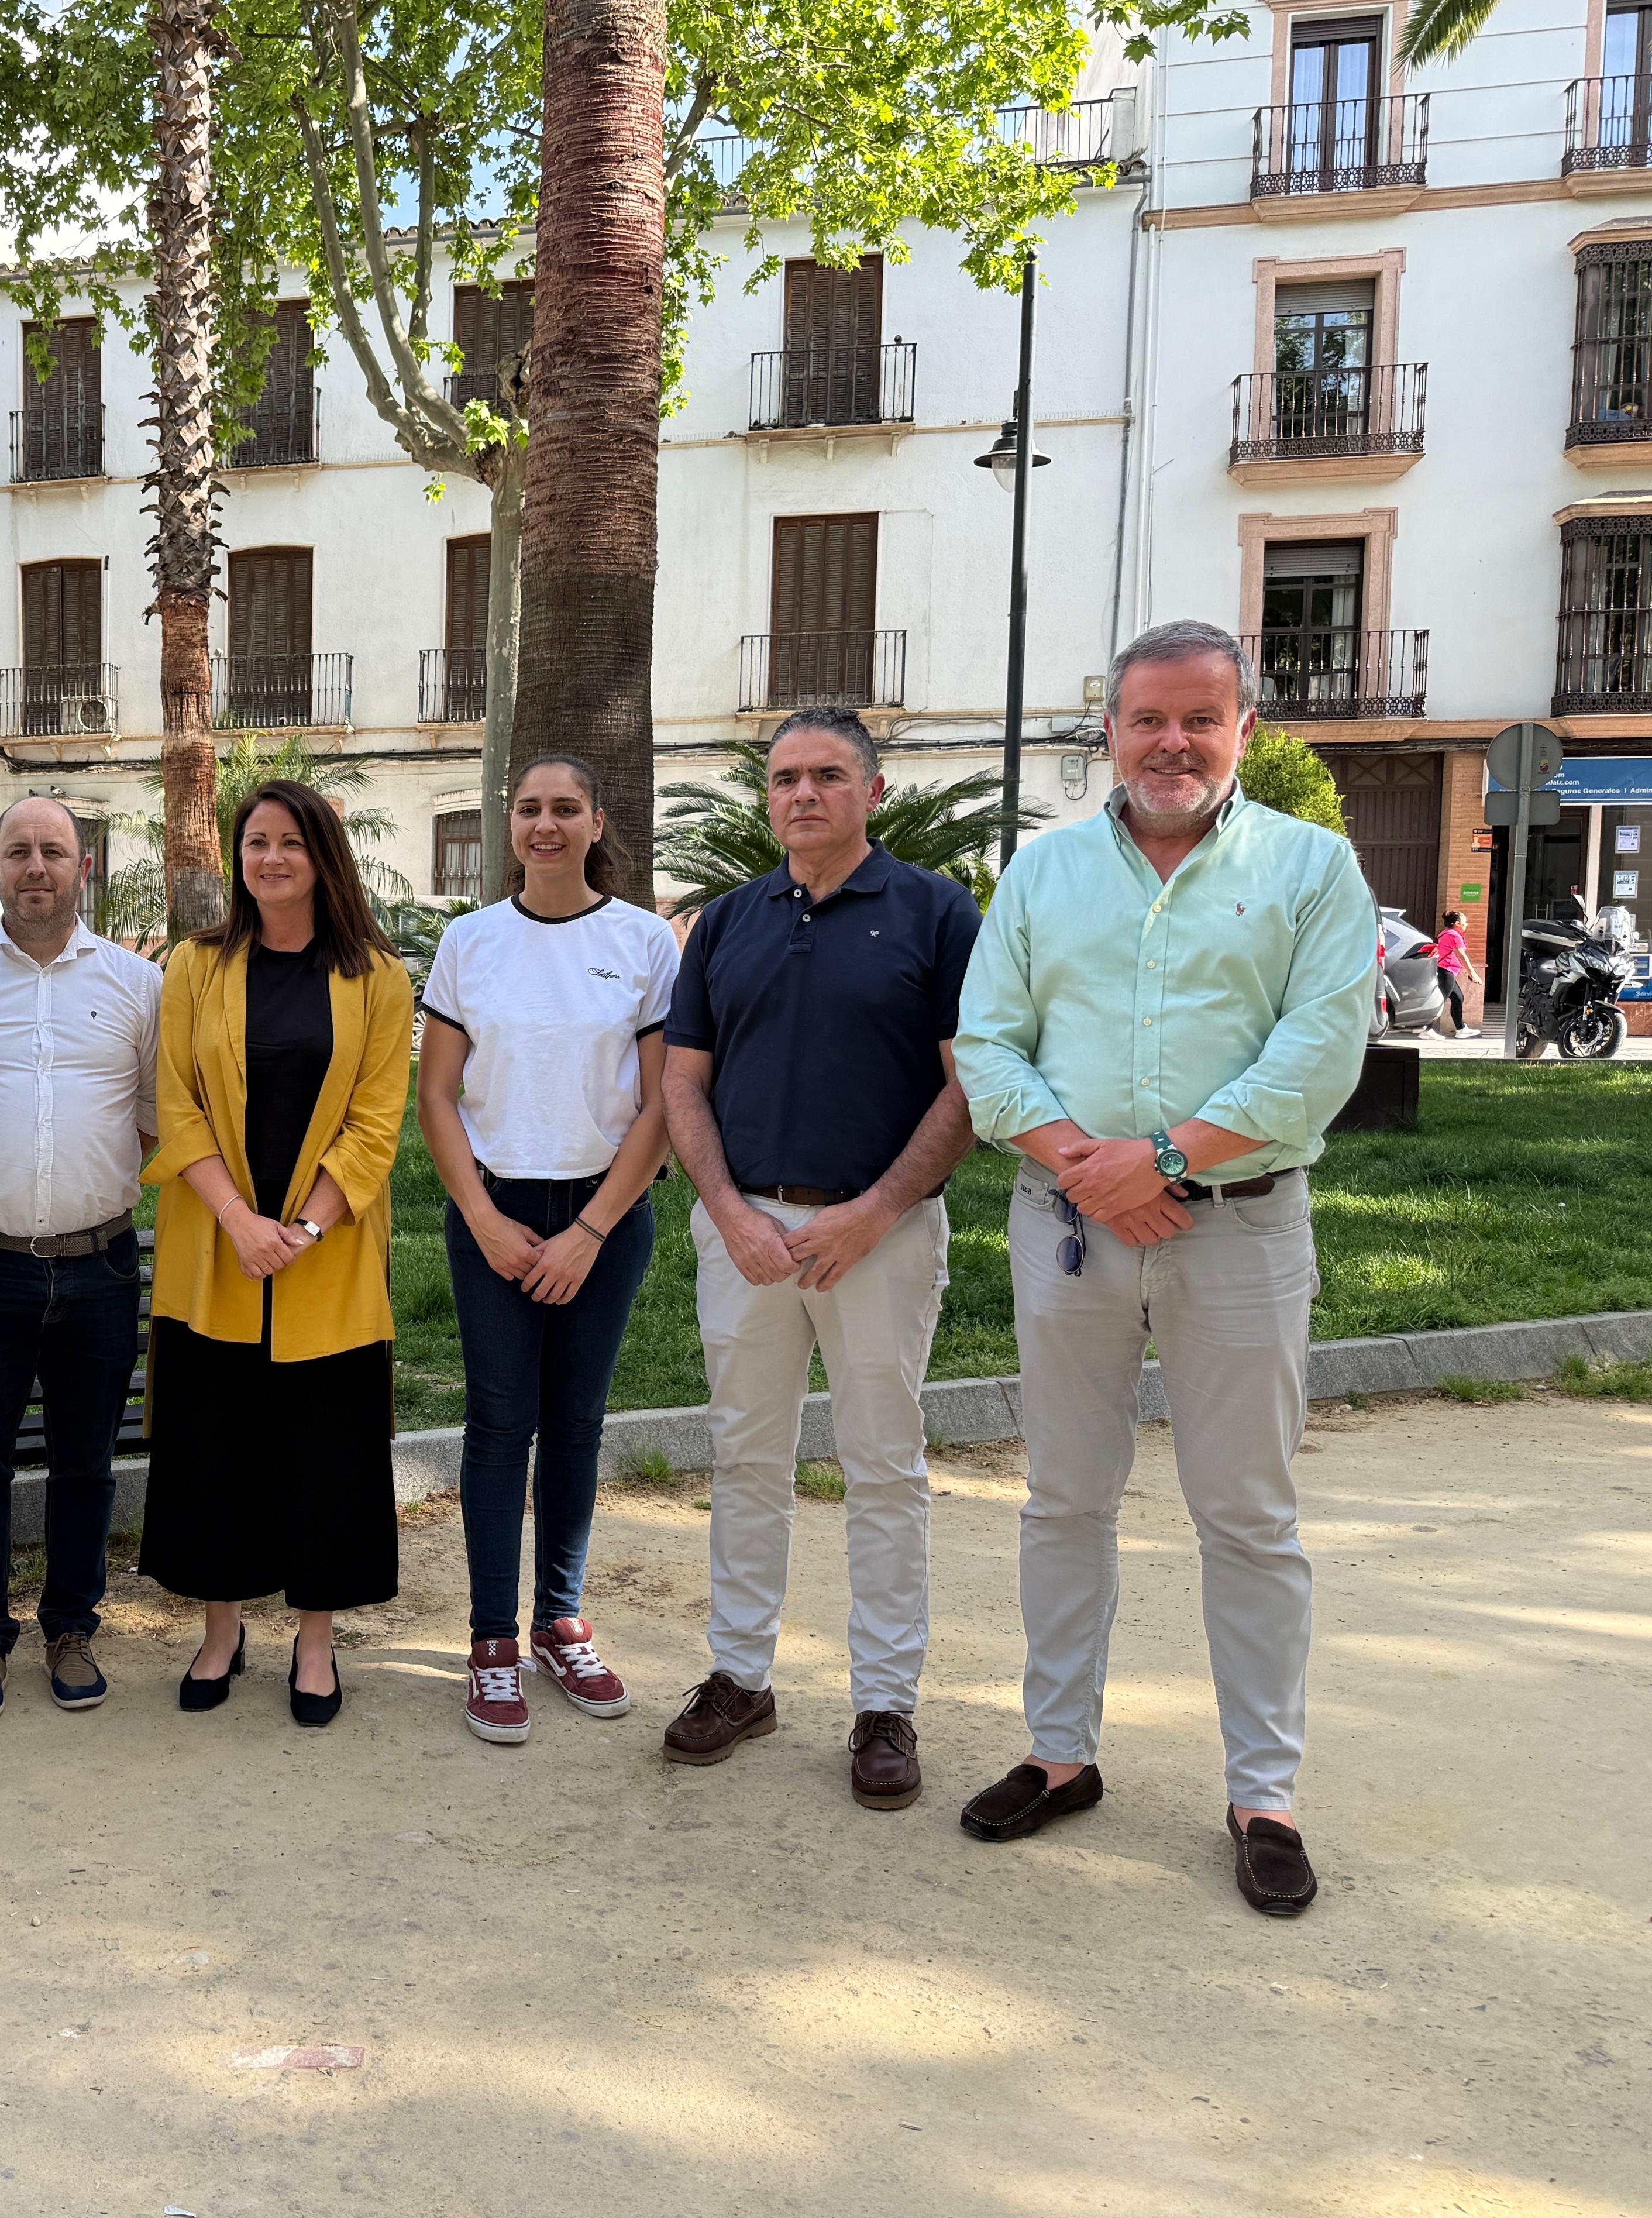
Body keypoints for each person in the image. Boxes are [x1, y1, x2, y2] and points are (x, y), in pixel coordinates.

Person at [954, 619, 1376, 1917]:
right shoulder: (1043, 876)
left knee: (1245, 1516)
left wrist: (1168, 1165)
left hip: (1238, 1227)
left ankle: (1263, 1793)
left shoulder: (1311, 869)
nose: (1172, 742)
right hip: (1071, 1218)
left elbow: (1316, 1056)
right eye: (1147, 719)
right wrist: (1095, 1165)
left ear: (1244, 726)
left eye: (1200, 717)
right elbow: (985, 1045)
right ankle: (1059, 1753)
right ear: (1112, 731)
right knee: (1063, 1499)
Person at [656, 711, 983, 1810]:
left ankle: (885, 1703)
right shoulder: (724, 926)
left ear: (874, 792)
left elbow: (967, 1085)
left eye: (829, 776)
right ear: (767, 798)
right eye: (787, 778)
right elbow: (683, 1087)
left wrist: (876, 1211)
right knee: (747, 1456)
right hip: (745, 1233)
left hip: (878, 1238)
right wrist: (729, 1212)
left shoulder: (938, 915)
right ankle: (741, 1678)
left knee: (885, 1465)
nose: (805, 794)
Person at [139, 779, 415, 1728]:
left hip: (325, 1263)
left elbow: (378, 1126)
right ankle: (220, 1630)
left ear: (322, 856)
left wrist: (300, 1230)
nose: (270, 858)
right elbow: (175, 1106)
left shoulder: (377, 977)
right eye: (255, 841)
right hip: (215, 1254)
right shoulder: (194, 967)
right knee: (212, 1450)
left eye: (290, 842)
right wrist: (239, 1222)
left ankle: (315, 1641)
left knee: (325, 1455)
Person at [416, 755, 678, 1745]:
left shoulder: (643, 941)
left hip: (603, 1215)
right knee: (497, 1425)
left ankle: (560, 1623)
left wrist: (591, 1231)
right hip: (495, 1208)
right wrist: (483, 1216)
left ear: (597, 822)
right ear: (507, 824)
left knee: (576, 1424)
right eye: (528, 809)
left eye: (566, 808)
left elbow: (661, 1102)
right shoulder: (471, 943)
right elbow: (437, 1094)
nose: (546, 825)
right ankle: (491, 1646)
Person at [0, 796, 162, 1721]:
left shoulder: (141, 987)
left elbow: (151, 1119)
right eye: (18, 851)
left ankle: (71, 1627)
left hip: (99, 1267)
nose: (36, 867)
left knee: (85, 1464)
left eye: (53, 850)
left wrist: (83, 1191)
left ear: (81, 868)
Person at [1434, 909, 1479, 1038]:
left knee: (1458, 998)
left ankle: (1461, 1030)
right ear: (1458, 923)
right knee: (1440, 1000)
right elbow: (1462, 956)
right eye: (1465, 921)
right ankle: (1427, 1028)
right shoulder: (1454, 935)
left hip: (1447, 971)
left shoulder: (1445, 933)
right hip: (1445, 970)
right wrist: (1473, 973)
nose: (1467, 924)